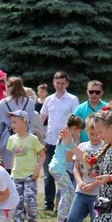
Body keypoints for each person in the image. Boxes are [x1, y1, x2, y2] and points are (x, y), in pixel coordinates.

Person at [39, 71, 79, 211]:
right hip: (49, 141)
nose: (60, 86)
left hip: (64, 142)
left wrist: (73, 139)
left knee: (64, 173)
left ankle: (60, 203)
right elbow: (42, 118)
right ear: (53, 82)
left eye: (63, 83)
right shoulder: (49, 99)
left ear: (67, 83)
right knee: (48, 174)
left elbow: (75, 119)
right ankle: (48, 203)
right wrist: (40, 137)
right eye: (57, 83)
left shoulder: (72, 99)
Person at [66, 116, 103, 222]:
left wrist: (93, 184)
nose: (95, 137)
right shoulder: (82, 147)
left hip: (97, 193)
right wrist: (79, 181)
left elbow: (106, 173)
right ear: (86, 132)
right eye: (91, 134)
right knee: (73, 219)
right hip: (81, 191)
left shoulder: (104, 148)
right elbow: (75, 168)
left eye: (98, 134)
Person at [6, 110, 45, 222]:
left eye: (15, 122)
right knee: (17, 203)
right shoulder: (12, 139)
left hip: (29, 176)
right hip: (16, 176)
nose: (12, 125)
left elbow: (42, 155)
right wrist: (10, 172)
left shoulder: (33, 139)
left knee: (29, 202)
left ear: (25, 122)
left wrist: (37, 170)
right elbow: (13, 157)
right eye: (11, 122)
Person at [0, 76, 38, 171]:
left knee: (8, 170)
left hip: (8, 140)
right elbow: (31, 121)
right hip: (26, 139)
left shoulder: (4, 103)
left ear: (9, 87)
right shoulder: (30, 102)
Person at [49, 115, 84, 222]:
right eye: (79, 131)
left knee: (70, 193)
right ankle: (61, 221)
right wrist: (77, 152)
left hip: (56, 167)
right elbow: (69, 159)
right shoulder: (69, 139)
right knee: (67, 194)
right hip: (59, 168)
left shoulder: (63, 135)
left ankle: (64, 218)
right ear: (74, 128)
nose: (80, 133)